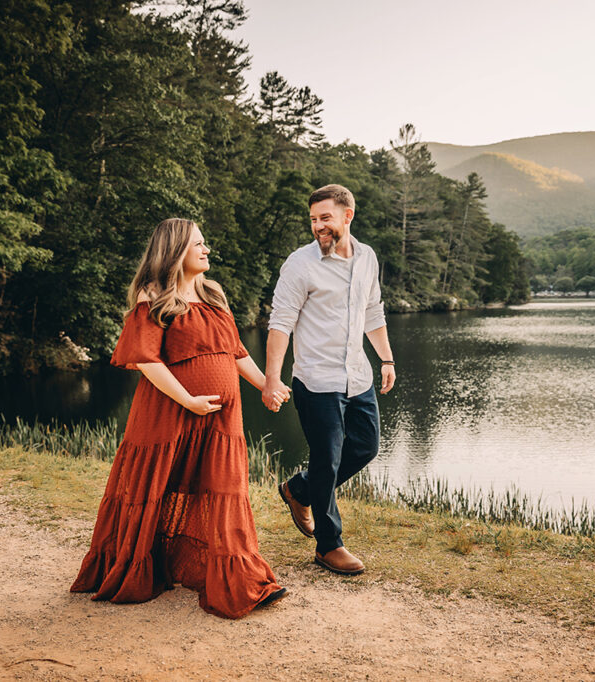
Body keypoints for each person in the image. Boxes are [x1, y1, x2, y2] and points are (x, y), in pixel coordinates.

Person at [71, 218, 290, 618]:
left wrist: (265, 385)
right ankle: (144, 567)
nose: (206, 250)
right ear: (175, 251)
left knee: (226, 488)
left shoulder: (213, 293)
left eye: (206, 244)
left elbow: (235, 352)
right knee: (155, 485)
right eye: (198, 244)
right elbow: (144, 358)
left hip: (223, 420)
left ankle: (240, 580)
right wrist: (188, 399)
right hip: (170, 412)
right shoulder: (152, 294)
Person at [263, 184, 396, 576]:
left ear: (347, 216)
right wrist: (272, 379)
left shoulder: (367, 258)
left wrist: (386, 358)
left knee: (366, 448)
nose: (318, 226)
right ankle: (329, 545)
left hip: (358, 376)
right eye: (313, 220)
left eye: (325, 218)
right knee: (328, 458)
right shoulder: (300, 264)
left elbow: (373, 312)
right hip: (316, 380)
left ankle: (299, 489)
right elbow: (280, 324)